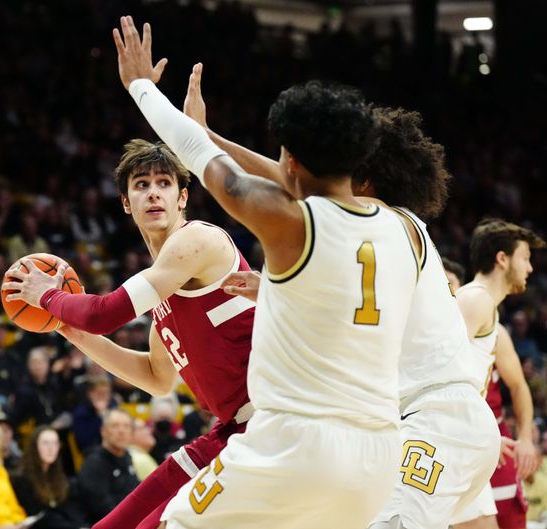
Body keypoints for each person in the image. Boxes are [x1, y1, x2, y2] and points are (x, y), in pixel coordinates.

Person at [111, 16, 419, 529]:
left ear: (291, 161)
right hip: (379, 452)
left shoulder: (291, 223)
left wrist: (141, 87)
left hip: (297, 442)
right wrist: (277, 290)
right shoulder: (401, 230)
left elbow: (207, 161)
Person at [186, 79, 500, 529]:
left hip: (431, 422)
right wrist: (276, 288)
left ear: (364, 180)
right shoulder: (392, 238)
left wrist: (206, 138)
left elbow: (291, 187)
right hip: (450, 423)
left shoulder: (388, 222)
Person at [3, 136, 255, 529]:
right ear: (126, 202)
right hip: (231, 430)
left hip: (269, 424)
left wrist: (48, 296)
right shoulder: (163, 291)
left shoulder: (197, 241)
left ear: (182, 197)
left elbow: (106, 313)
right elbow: (156, 378)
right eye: (141, 185)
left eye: (164, 184)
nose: (153, 193)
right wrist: (73, 332)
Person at [451, 219, 545, 529]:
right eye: (525, 258)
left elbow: (518, 386)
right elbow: (438, 371)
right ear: (502, 259)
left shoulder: (487, 311)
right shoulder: (474, 299)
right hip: (448, 441)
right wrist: (481, 432)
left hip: (466, 443)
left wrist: (521, 437)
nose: (530, 268)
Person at [12, 426, 87, 529]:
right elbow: (40, 517)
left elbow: (71, 509)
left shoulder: (61, 477)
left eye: (55, 443)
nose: (51, 448)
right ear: (35, 446)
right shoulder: (22, 479)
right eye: (45, 443)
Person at [77, 409, 139, 525]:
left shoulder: (127, 458)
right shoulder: (94, 462)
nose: (122, 431)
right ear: (103, 431)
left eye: (126, 426)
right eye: (115, 426)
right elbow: (102, 507)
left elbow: (136, 491)